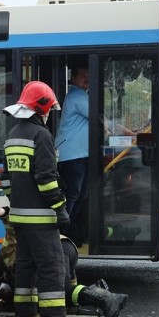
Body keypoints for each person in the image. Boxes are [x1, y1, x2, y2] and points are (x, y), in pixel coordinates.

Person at [0, 81, 79, 317]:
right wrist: (60, 208)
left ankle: (26, 313)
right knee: (52, 266)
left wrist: (18, 202)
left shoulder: (12, 136)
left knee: (26, 265)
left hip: (21, 218)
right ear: (41, 107)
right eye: (48, 108)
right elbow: (46, 179)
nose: (49, 113)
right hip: (41, 219)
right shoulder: (41, 136)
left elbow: (7, 181)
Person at [0, 205, 127, 317]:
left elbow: (14, 217)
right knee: (62, 289)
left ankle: (107, 298)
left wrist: (4, 211)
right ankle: (101, 294)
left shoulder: (16, 264)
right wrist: (73, 303)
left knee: (58, 289)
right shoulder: (12, 249)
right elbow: (16, 219)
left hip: (50, 250)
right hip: (65, 246)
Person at [55, 64, 90, 240]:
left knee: (81, 194)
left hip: (80, 156)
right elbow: (100, 116)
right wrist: (129, 133)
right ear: (73, 78)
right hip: (71, 156)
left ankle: (67, 231)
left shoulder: (84, 96)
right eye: (83, 74)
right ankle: (61, 232)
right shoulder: (77, 94)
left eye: (89, 75)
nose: (87, 78)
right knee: (73, 195)